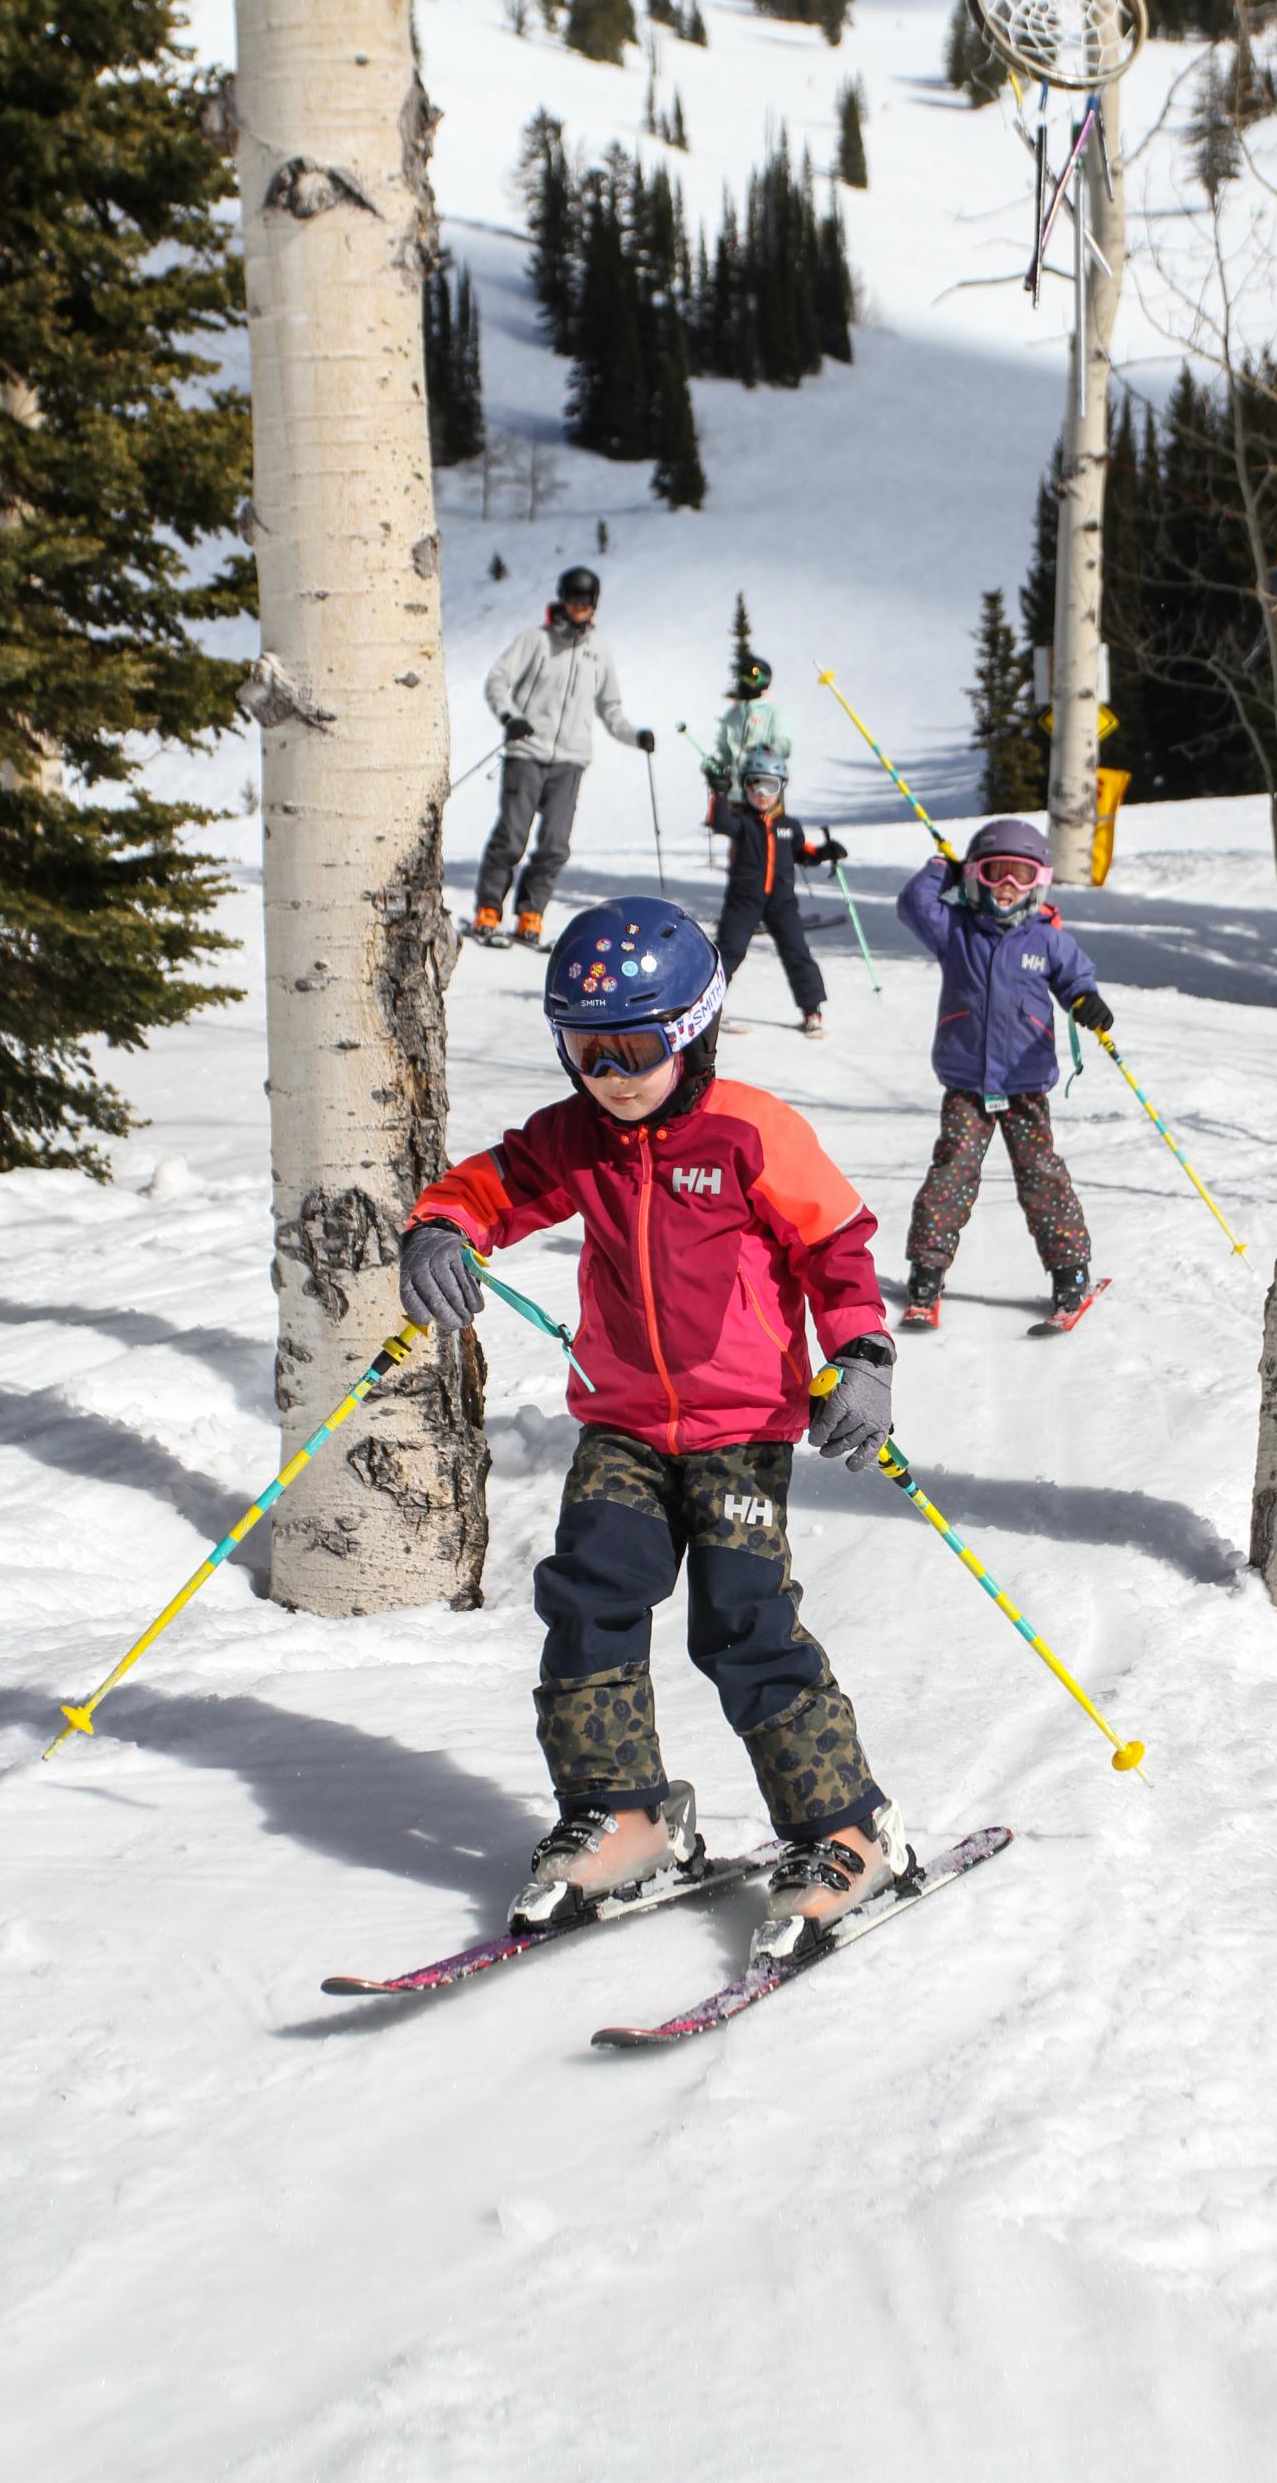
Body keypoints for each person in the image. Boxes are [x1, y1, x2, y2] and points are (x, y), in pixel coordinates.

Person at [396, 896, 909, 1956]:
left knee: (739, 1623)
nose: (612, 1072)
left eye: (636, 1046)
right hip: (623, 1420)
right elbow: (487, 1185)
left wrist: (859, 1353)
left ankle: (847, 1831)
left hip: (739, 1425)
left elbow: (838, 1246)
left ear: (695, 1031)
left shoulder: (749, 1129)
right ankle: (627, 1816)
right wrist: (440, 1229)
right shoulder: (576, 1137)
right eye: (586, 1049)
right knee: (589, 1600)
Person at [895, 818, 1114, 1332]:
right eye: (995, 874)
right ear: (975, 876)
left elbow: (1075, 980)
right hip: (967, 1084)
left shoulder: (1048, 939)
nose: (1008, 887)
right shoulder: (957, 931)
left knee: (1041, 1177)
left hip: (1024, 1083)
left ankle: (1069, 1272)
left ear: (1040, 881)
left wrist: (1086, 1001)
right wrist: (940, 868)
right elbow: (912, 905)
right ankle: (927, 1272)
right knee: (951, 1174)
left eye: (1020, 875)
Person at [473, 566, 655, 948]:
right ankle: (489, 908)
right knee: (511, 837)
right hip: (527, 751)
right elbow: (497, 681)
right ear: (562, 599)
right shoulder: (535, 641)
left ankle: (531, 913)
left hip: (570, 759)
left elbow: (610, 708)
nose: (579, 608)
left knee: (555, 845)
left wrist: (635, 736)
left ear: (594, 605)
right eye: (573, 600)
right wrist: (511, 717)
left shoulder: (597, 652)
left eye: (586, 602)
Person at [707, 746, 845, 1037]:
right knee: (728, 951)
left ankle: (812, 1011)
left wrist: (824, 852)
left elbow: (803, 853)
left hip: (781, 902)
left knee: (796, 951)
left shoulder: (789, 826)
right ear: (744, 787)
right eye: (753, 784)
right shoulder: (741, 821)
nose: (761, 792)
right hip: (744, 900)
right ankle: (709, 1006)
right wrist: (718, 793)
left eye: (769, 785)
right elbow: (719, 822)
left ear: (782, 787)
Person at [706, 656, 793, 800]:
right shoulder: (733, 715)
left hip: (764, 791)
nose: (746, 681)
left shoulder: (772, 712)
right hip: (736, 793)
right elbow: (725, 750)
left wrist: (767, 751)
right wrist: (715, 763)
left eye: (752, 676)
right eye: (743, 676)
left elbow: (784, 745)